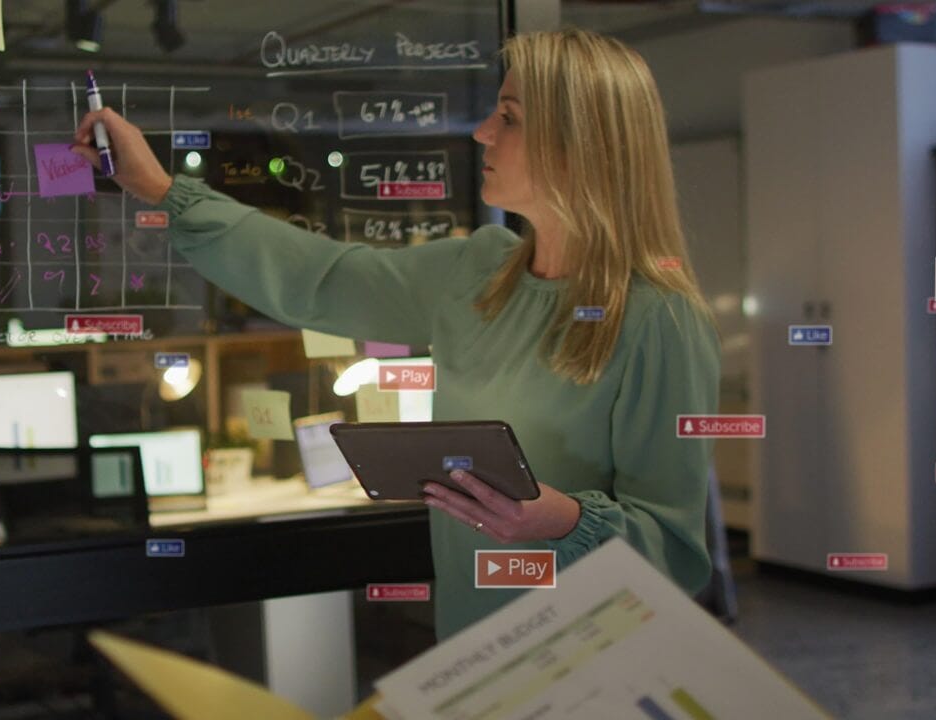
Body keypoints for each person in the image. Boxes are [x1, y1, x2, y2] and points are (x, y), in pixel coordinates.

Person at [72, 28, 721, 641]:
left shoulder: (657, 319)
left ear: (580, 144)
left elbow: (677, 553)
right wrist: (160, 188)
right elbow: (318, 278)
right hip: (473, 650)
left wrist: (563, 520)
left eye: (511, 118)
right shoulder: (480, 271)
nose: (482, 131)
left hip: (585, 659)